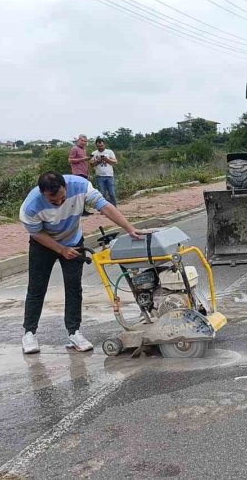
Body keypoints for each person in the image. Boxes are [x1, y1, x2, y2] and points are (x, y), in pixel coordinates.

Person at [19, 171, 144, 354]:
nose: (59, 203)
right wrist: (60, 249)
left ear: (66, 187)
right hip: (43, 245)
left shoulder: (81, 186)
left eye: (62, 198)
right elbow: (36, 233)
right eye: (53, 202)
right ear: (42, 193)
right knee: (37, 288)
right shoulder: (31, 206)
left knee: (74, 287)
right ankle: (29, 333)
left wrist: (130, 228)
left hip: (73, 240)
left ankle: (74, 332)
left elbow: (105, 207)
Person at [68, 134, 92, 215]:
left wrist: (88, 173)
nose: (83, 142)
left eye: (85, 141)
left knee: (84, 192)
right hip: (78, 173)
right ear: (78, 140)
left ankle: (83, 210)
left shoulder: (84, 150)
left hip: (84, 173)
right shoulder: (75, 148)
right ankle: (79, 211)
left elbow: (85, 163)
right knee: (79, 193)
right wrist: (83, 159)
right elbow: (70, 160)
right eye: (82, 140)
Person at [90, 137, 118, 206]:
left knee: (112, 193)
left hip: (109, 175)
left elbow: (115, 161)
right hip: (99, 176)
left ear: (104, 144)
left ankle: (114, 207)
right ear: (96, 145)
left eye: (102, 145)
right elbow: (91, 164)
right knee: (102, 193)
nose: (100, 147)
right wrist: (98, 161)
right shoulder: (94, 153)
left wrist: (107, 159)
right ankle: (104, 208)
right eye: (99, 146)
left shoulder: (109, 152)